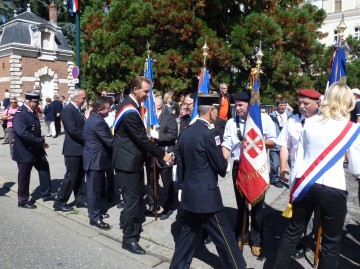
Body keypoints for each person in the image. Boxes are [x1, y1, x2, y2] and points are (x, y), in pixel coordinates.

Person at [273, 82, 360, 269]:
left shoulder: (310, 123)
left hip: (305, 184)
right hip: (333, 186)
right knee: (331, 243)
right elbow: (356, 168)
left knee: (291, 233)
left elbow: (301, 158)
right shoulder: (352, 129)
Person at [170, 93, 247, 269]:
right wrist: (226, 159)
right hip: (207, 196)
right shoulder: (210, 134)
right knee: (224, 237)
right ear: (211, 110)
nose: (218, 113)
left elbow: (181, 162)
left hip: (190, 193)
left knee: (186, 237)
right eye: (217, 110)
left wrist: (181, 186)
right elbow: (220, 167)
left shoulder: (187, 132)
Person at [112, 76, 173, 255]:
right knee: (132, 200)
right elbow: (142, 140)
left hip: (132, 160)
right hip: (127, 163)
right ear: (135, 90)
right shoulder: (130, 110)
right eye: (146, 91)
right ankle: (129, 238)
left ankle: (128, 223)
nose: (148, 95)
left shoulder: (130, 105)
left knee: (136, 196)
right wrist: (164, 154)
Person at [222, 92, 276, 257]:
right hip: (239, 166)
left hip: (258, 167)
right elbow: (226, 144)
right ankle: (241, 235)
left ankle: (257, 239)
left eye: (240, 105)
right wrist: (218, 162)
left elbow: (273, 141)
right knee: (241, 205)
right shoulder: (232, 122)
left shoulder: (264, 120)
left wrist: (256, 139)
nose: (237, 108)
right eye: (235, 105)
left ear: (249, 105)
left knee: (258, 207)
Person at [277, 89, 321, 259]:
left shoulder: (324, 122)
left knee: (316, 210)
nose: (301, 106)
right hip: (297, 172)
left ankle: (309, 240)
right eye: (299, 103)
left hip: (317, 173)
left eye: (306, 104)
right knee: (298, 209)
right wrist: (283, 166)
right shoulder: (293, 121)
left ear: (317, 103)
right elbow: (283, 145)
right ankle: (298, 240)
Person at [12, 91, 56, 208]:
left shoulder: (32, 112)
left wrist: (40, 142)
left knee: (44, 169)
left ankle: (46, 193)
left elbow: (34, 131)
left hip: (36, 150)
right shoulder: (21, 114)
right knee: (24, 176)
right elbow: (23, 133)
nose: (38, 104)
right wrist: (40, 141)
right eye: (36, 102)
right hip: (24, 151)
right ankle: (23, 200)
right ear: (30, 102)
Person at [53, 89, 87, 212]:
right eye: (83, 98)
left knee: (80, 176)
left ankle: (80, 199)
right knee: (71, 176)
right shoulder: (68, 110)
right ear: (76, 98)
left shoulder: (77, 110)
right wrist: (88, 138)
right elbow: (73, 130)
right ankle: (60, 202)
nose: (85, 100)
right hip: (72, 149)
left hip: (80, 149)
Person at [83, 96, 114, 230]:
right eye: (107, 108)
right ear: (100, 109)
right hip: (95, 160)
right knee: (93, 190)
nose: (109, 110)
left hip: (96, 159)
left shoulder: (95, 118)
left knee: (95, 189)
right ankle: (94, 218)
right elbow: (110, 141)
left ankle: (96, 212)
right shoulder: (97, 121)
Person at [145, 97, 178, 220]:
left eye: (151, 105)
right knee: (151, 181)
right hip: (150, 155)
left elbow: (173, 135)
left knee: (167, 182)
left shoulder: (169, 117)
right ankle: (153, 205)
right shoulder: (147, 119)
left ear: (158, 106)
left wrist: (158, 135)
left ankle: (168, 207)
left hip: (164, 154)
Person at [269, 98, 289, 188]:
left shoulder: (290, 116)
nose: (283, 107)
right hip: (275, 143)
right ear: (277, 106)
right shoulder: (271, 116)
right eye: (281, 105)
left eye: (285, 105)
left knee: (292, 163)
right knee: (275, 164)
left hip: (286, 145)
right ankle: (275, 179)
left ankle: (296, 180)